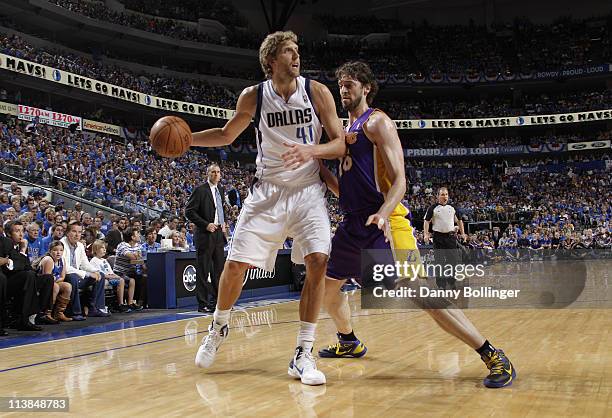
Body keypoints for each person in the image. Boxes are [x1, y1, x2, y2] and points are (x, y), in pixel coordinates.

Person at [309, 61, 516, 389]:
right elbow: (346, 191)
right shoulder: (343, 134)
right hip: (352, 226)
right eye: (341, 85)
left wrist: (383, 214)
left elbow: (400, 182)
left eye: (350, 85)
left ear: (366, 88)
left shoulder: (377, 123)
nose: (343, 90)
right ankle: (348, 340)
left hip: (386, 223)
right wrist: (320, 168)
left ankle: (492, 353)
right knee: (327, 289)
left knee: (426, 298)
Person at [192, 31, 345, 386]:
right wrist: (189, 139)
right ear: (271, 61)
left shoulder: (317, 92)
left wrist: (313, 151)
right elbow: (227, 134)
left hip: (308, 190)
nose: (297, 57)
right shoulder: (254, 96)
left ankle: (303, 353)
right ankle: (218, 327)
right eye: (289, 52)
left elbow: (338, 144)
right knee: (234, 265)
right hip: (268, 191)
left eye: (297, 51)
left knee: (318, 261)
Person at [185, 164, 227, 313]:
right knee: (203, 271)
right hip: (205, 234)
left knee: (219, 271)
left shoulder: (220, 189)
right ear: (208, 174)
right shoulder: (200, 190)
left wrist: (223, 223)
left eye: (218, 172)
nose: (216, 174)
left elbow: (220, 209)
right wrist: (205, 224)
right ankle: (202, 304)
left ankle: (217, 302)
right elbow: (189, 211)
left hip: (218, 233)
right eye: (213, 172)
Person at [1, 220, 55, 330]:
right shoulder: (6, 243)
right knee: (29, 275)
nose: (21, 234)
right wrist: (22, 252)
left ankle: (36, 314)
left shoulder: (21, 246)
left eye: (22, 231)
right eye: (17, 231)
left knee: (48, 278)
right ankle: (23, 320)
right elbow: (15, 266)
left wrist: (21, 253)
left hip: (24, 280)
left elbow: (24, 266)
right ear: (9, 234)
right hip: (8, 282)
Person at [61, 221, 109, 320]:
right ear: (67, 233)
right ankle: (76, 312)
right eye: (74, 231)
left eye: (79, 232)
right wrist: (87, 274)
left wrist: (95, 271)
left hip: (79, 275)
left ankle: (96, 308)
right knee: (73, 277)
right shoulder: (62, 244)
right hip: (65, 276)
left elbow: (85, 264)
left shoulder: (80, 245)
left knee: (100, 275)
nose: (77, 234)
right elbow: (65, 268)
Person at [423, 187, 466, 290]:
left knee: (454, 261)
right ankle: (441, 284)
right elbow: (426, 221)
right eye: (442, 194)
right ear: (438, 196)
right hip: (438, 238)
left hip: (451, 237)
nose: (445, 196)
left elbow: (459, 220)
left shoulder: (453, 207)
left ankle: (451, 281)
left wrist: (463, 233)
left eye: (446, 194)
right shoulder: (432, 208)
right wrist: (426, 234)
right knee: (439, 262)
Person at [89, 240, 136, 313]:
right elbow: (99, 274)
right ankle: (120, 304)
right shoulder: (93, 261)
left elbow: (111, 272)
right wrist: (115, 277)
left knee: (129, 280)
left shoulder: (104, 260)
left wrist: (116, 276)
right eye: (102, 248)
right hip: (104, 279)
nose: (104, 250)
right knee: (121, 281)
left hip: (111, 277)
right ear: (95, 250)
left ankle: (130, 303)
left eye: (105, 248)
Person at [37, 240, 73, 321]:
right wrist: (56, 281)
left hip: (54, 282)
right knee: (55, 287)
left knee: (68, 286)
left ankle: (59, 313)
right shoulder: (48, 260)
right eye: (55, 250)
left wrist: (56, 281)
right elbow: (47, 281)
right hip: (40, 285)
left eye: (61, 250)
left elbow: (63, 277)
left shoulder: (62, 260)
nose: (58, 252)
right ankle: (47, 313)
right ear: (50, 251)